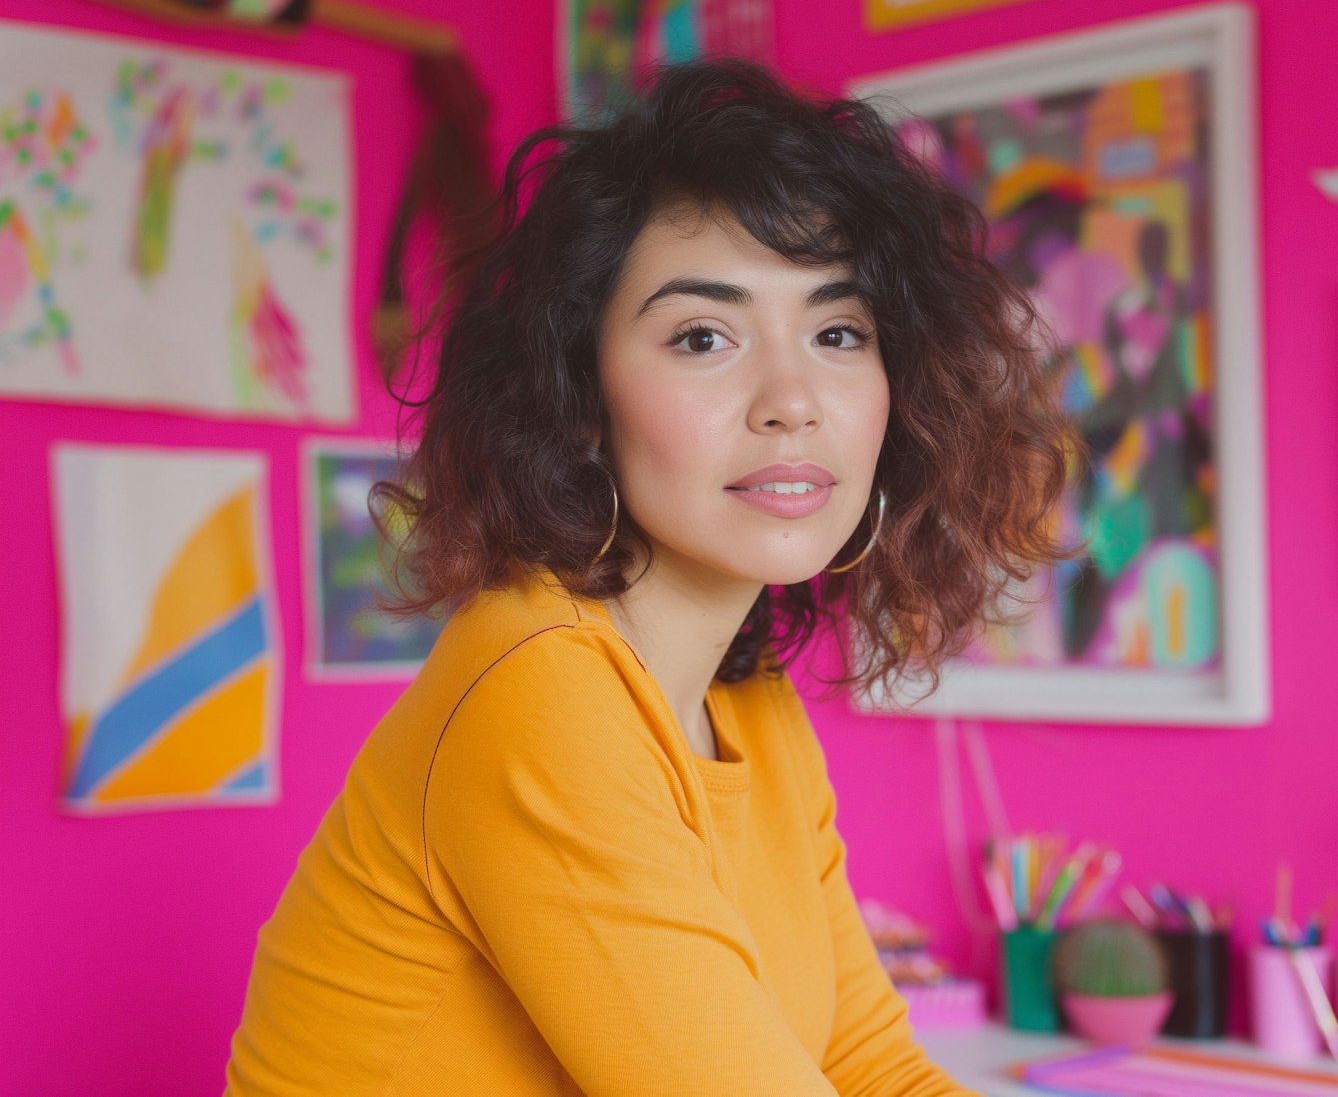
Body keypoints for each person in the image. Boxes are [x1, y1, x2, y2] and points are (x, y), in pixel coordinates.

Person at [224, 59, 1072, 1096]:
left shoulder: (746, 703)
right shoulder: (540, 692)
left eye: (839, 331)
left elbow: (869, 1062)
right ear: (580, 397)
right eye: (703, 335)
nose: (792, 399)